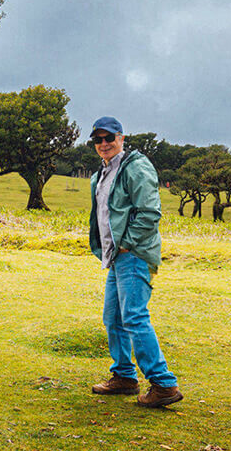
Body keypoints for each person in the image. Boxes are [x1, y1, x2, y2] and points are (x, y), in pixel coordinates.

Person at [87, 116, 183, 408]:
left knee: (134, 317)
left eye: (109, 138)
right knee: (113, 317)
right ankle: (125, 376)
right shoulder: (101, 174)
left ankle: (163, 384)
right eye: (98, 139)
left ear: (122, 138)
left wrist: (127, 245)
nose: (104, 144)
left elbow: (149, 213)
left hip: (134, 254)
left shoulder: (136, 167)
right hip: (117, 257)